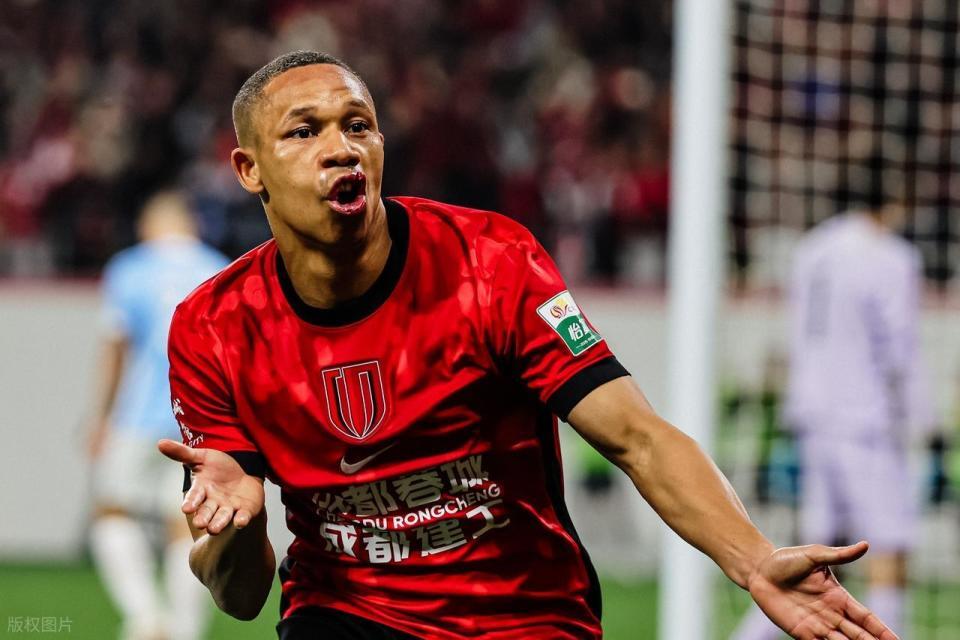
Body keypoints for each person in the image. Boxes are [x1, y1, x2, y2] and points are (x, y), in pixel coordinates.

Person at [157, 51, 898, 640]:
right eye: (304, 131)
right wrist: (236, 531)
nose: (341, 148)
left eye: (359, 125)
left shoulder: (491, 263)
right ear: (248, 169)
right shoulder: (211, 327)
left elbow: (638, 437)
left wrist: (755, 559)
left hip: (524, 616)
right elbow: (240, 597)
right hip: (348, 615)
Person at [733, 192, 934, 640]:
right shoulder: (891, 256)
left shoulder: (813, 249)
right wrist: (926, 420)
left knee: (812, 561)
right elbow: (899, 347)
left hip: (813, 416)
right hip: (864, 419)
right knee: (889, 547)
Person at [87, 191, 229, 640]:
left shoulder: (130, 268)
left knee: (111, 512)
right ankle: (185, 631)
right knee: (184, 524)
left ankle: (147, 619)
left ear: (148, 226)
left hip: (139, 419)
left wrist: (102, 417)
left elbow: (117, 348)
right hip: (200, 422)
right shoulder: (220, 269)